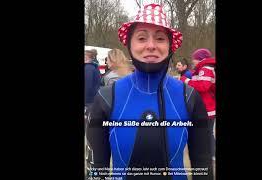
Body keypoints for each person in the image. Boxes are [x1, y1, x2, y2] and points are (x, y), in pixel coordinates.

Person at [86, 3, 213, 180]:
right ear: (129, 44)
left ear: (170, 46)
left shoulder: (189, 97)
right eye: (142, 38)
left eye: (160, 38)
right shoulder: (107, 97)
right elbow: (97, 169)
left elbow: (203, 164)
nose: (151, 45)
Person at [179, 48, 216, 174]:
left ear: (200, 58)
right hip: (206, 107)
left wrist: (186, 81)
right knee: (207, 133)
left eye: (194, 58)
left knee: (207, 134)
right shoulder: (202, 69)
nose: (192, 61)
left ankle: (211, 155)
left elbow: (203, 86)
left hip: (207, 109)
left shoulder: (206, 68)